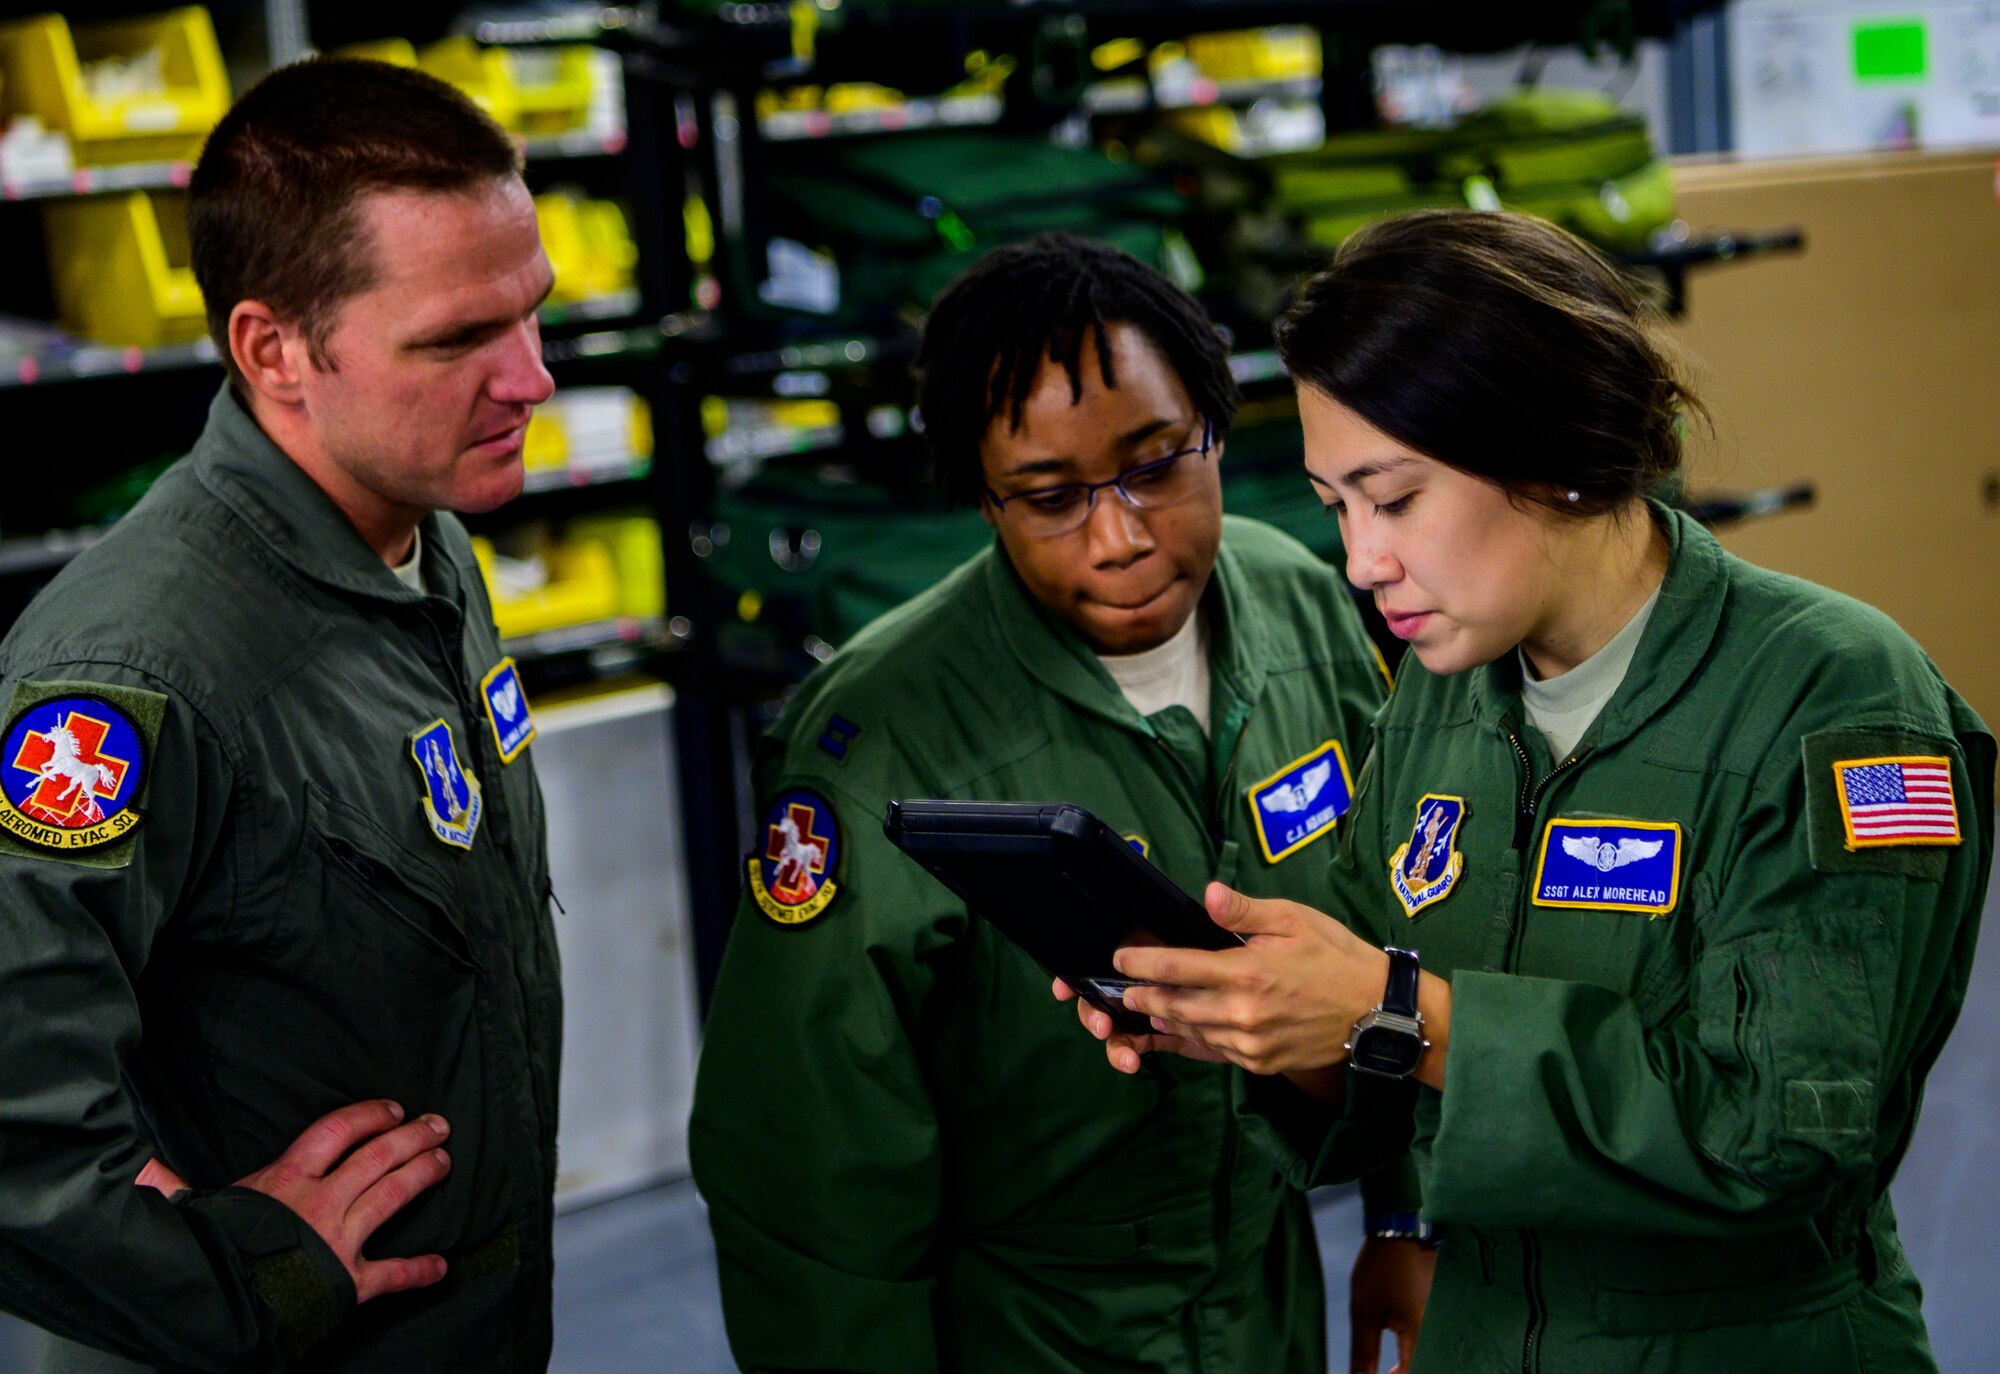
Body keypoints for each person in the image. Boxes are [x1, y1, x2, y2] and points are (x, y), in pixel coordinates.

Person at [1068, 209, 1994, 1373]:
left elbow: (1779, 1139)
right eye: (1333, 507)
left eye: (1393, 499)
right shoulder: (1440, 694)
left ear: (1548, 457)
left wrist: (1404, 1014)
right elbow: (1381, 1045)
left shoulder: (1836, 700)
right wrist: (1254, 1022)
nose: (1359, 561)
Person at [690, 233, 1435, 1373]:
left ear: (1217, 426)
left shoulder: (1298, 604)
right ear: (980, 501)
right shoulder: (879, 738)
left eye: (1154, 465)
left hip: (1267, 1298)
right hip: (1030, 1331)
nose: (1120, 536)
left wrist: (1403, 1213)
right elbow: (807, 1178)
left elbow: (1405, 935)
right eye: (1048, 497)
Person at [0, 59, 562, 1370]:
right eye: (457, 340)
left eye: (532, 314)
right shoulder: (130, 673)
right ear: (273, 349)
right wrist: (241, 1279)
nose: (529, 378)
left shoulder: (424, 537)